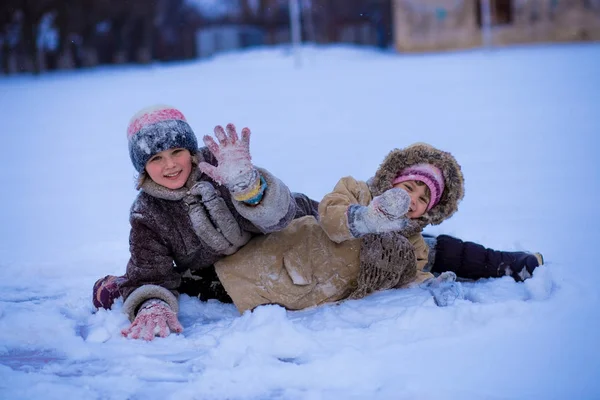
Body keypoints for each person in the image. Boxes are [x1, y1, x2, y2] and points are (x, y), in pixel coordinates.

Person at [214, 142, 542, 314]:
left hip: (291, 292)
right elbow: (331, 218)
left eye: (423, 197)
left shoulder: (413, 244)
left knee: (433, 250)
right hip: (269, 261)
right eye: (410, 186)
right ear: (395, 180)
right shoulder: (356, 190)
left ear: (432, 208)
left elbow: (411, 276)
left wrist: (435, 287)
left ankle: (505, 264)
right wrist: (368, 219)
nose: (412, 199)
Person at [92, 105, 317, 341]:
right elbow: (151, 273)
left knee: (330, 233)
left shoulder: (220, 166)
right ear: (143, 167)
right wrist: (152, 303)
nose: (170, 165)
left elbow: (280, 218)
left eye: (177, 151)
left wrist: (250, 189)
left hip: (291, 228)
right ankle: (119, 287)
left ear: (190, 152)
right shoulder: (147, 213)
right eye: (156, 158)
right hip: (233, 272)